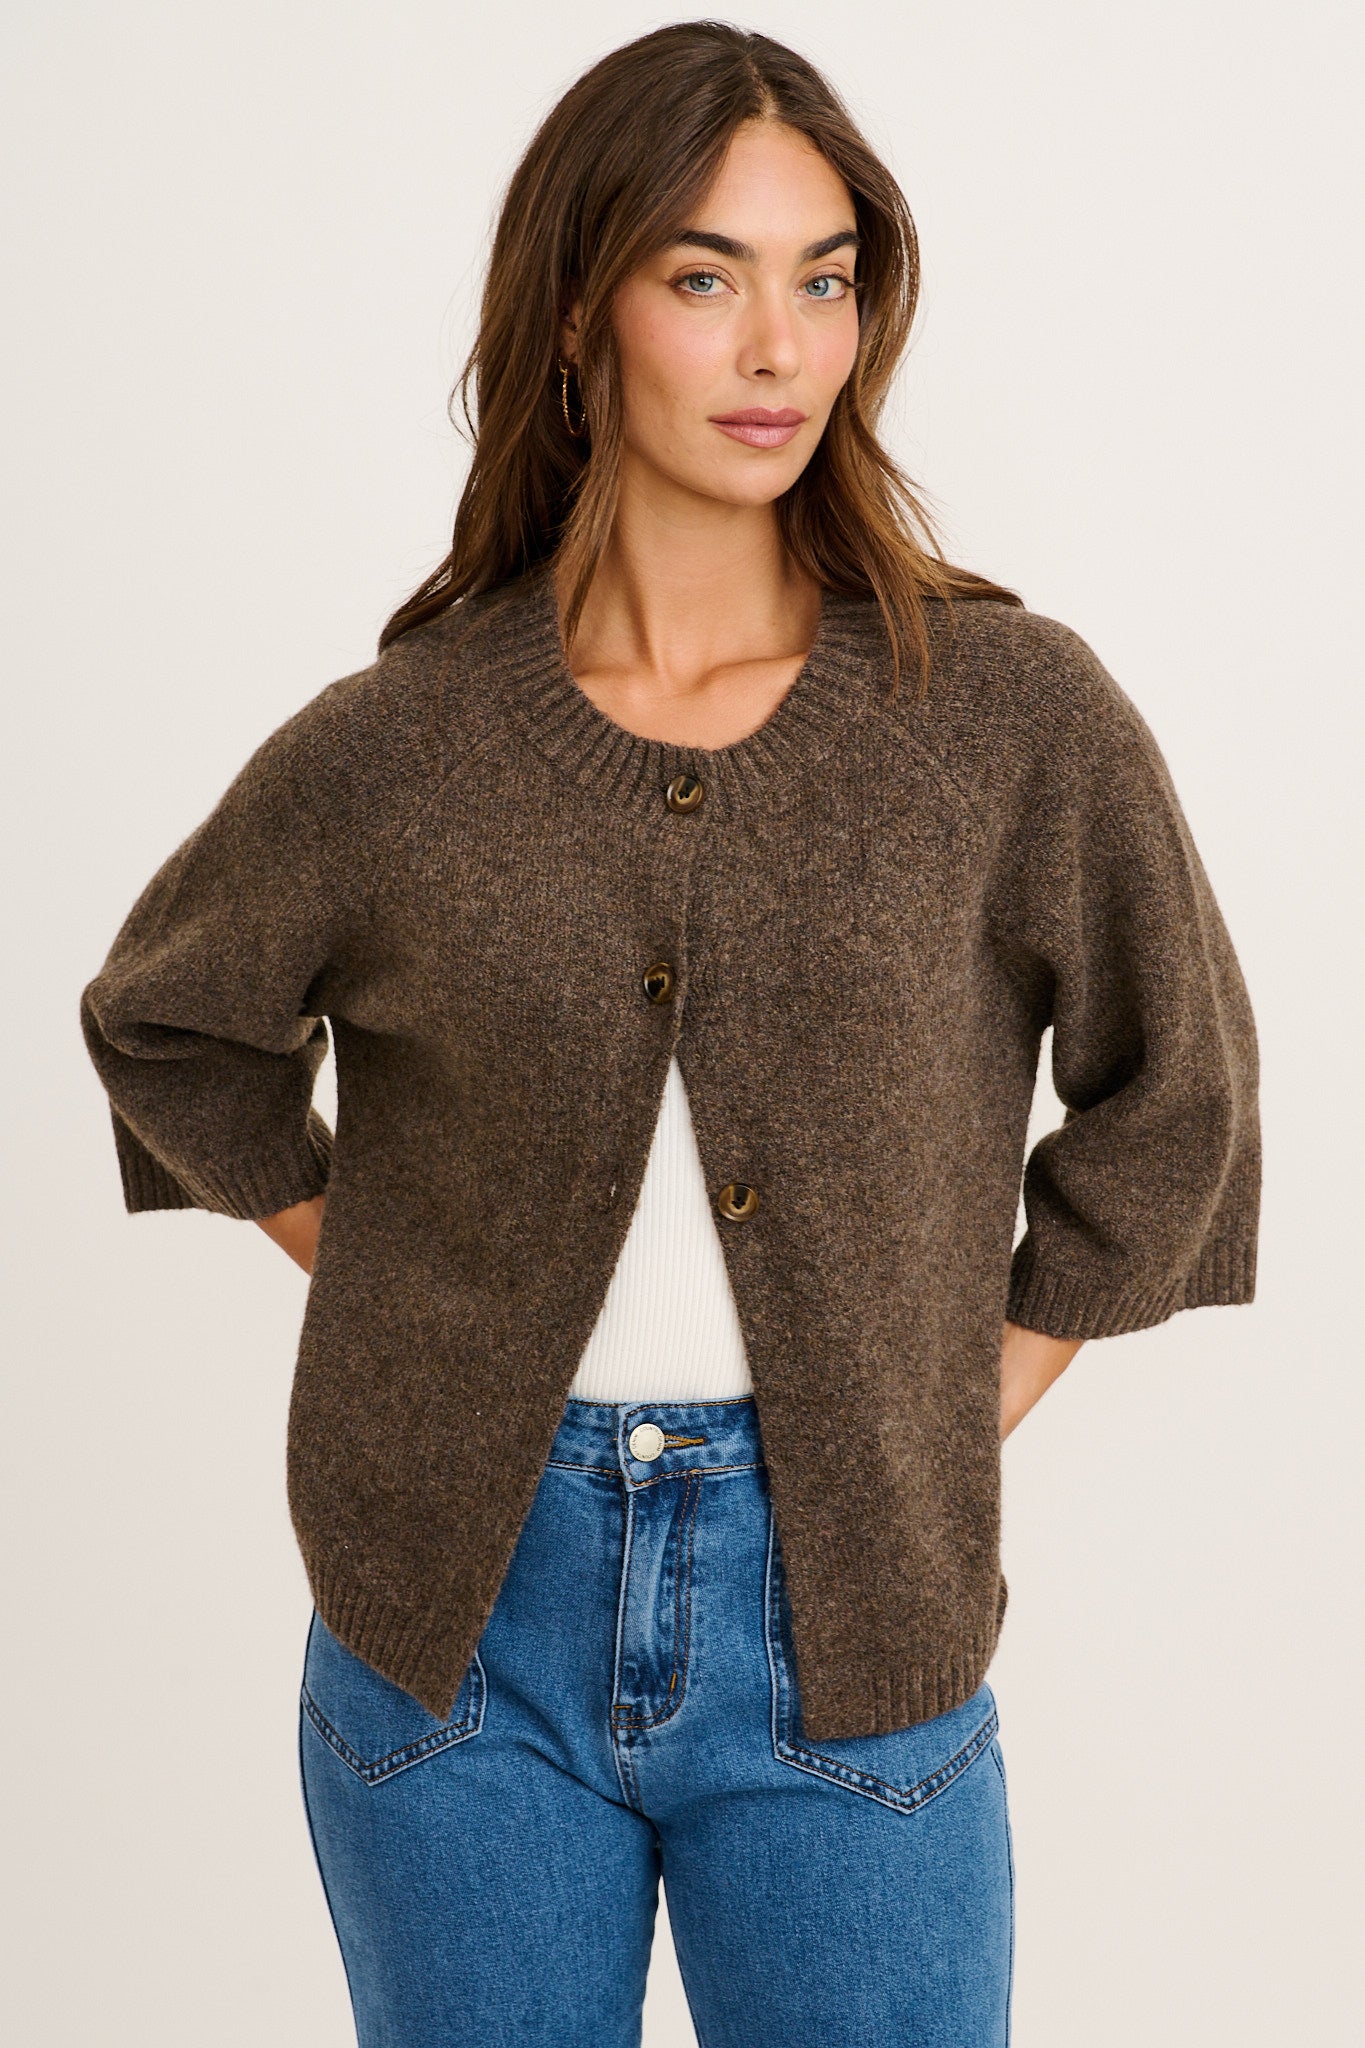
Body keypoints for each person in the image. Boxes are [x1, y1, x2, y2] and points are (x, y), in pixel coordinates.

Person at [78, 22, 1260, 2048]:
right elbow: (167, 1020)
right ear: (578, 312)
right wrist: (396, 1290)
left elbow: (1181, 1100)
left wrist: (936, 1399)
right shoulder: (404, 744)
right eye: (705, 277)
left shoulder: (1005, 716)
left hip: (855, 1622)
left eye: (824, 278)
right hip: (453, 1638)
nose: (778, 346)